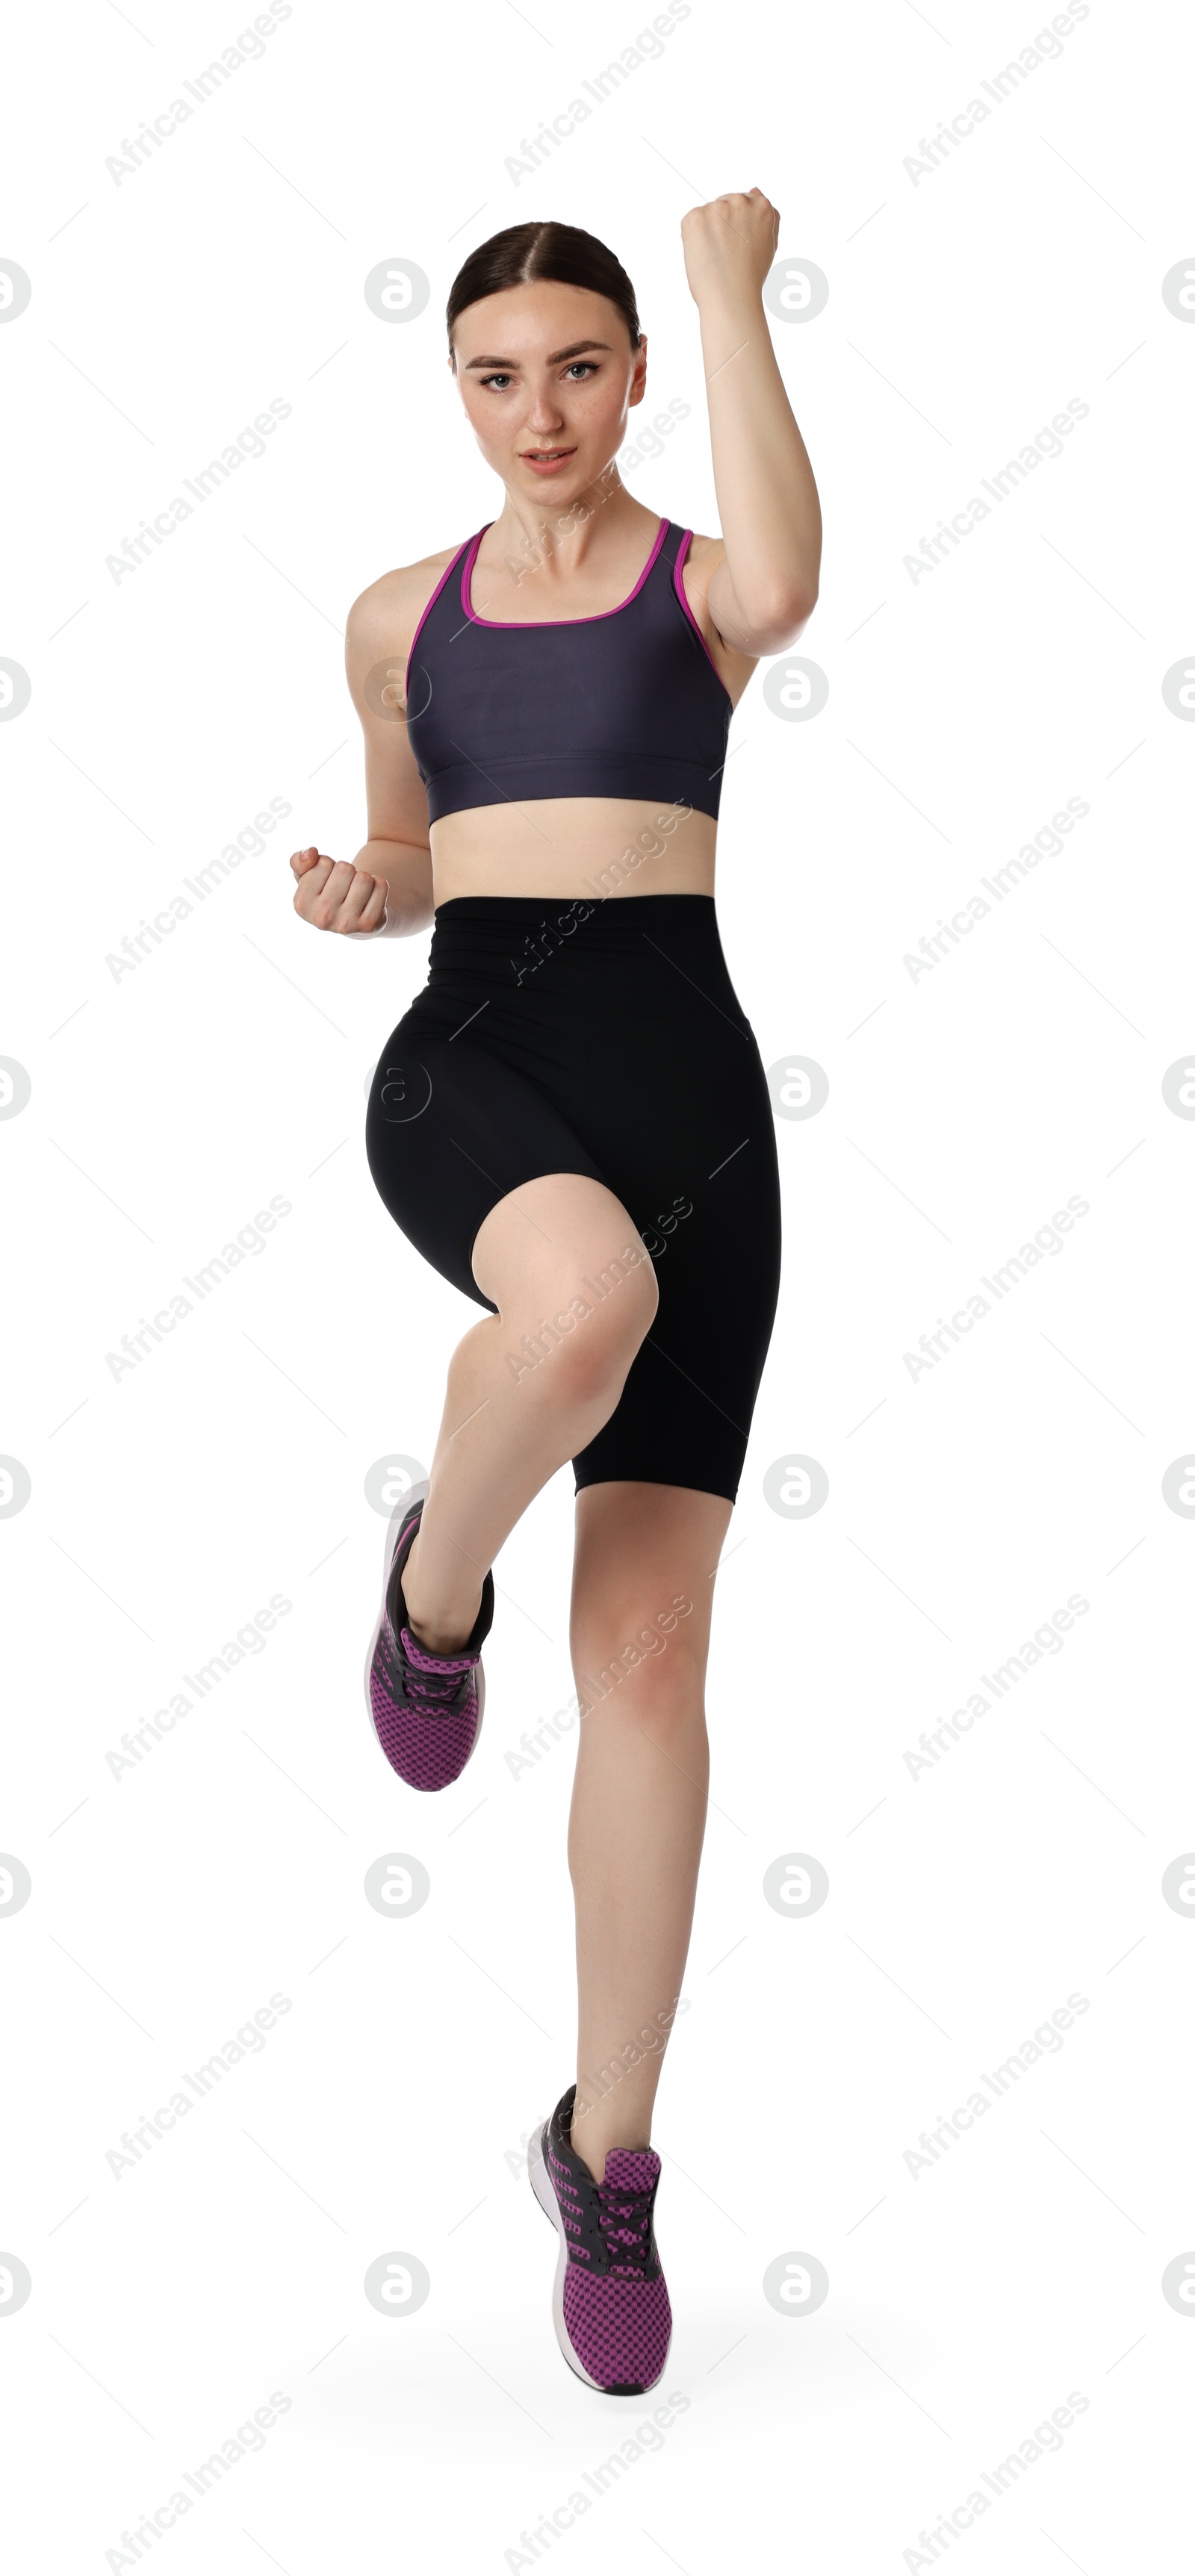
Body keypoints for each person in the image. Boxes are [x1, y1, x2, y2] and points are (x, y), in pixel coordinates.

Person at [288, 198, 821, 2395]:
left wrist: (729, 291)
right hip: (480, 1063)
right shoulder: (398, 617)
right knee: (571, 1298)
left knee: (662, 1658)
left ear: (632, 374)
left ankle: (606, 2154)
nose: (543, 413)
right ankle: (433, 1591)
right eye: (500, 375)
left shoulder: (702, 585)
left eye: (582, 368)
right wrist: (363, 885)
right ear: (461, 392)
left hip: (692, 1087)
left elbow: (789, 582)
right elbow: (417, 842)